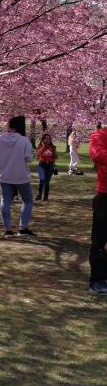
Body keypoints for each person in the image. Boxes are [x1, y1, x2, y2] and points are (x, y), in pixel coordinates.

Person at [0, 115, 35, 237]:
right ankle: (23, 227)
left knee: (5, 200)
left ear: (10, 126)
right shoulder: (24, 140)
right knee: (27, 200)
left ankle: (8, 229)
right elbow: (29, 159)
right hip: (21, 175)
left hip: (4, 174)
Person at [87, 124, 107, 293]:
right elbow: (97, 154)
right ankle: (98, 279)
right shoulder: (99, 135)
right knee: (100, 239)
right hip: (105, 194)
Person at [35, 133, 57, 202]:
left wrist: (54, 166)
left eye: (49, 138)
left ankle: (45, 197)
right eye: (46, 138)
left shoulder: (52, 147)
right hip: (42, 165)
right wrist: (43, 147)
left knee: (47, 182)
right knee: (41, 181)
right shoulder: (40, 146)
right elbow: (38, 154)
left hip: (49, 165)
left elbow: (55, 157)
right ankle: (39, 196)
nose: (48, 140)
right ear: (43, 139)